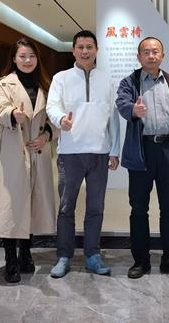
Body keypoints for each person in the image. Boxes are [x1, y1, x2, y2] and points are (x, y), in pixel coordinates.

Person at [46, 30, 120, 278]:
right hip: (70, 153)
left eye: (89, 47)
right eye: (80, 47)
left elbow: (113, 117)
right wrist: (61, 120)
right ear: (73, 50)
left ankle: (92, 255)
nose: (85, 51)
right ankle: (64, 256)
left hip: (99, 153)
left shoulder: (107, 80)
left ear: (97, 50)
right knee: (66, 207)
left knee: (96, 208)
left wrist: (114, 150)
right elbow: (52, 106)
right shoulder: (61, 78)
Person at [116, 37, 169, 279]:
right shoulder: (130, 82)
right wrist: (133, 110)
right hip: (142, 150)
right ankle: (141, 261)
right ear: (139, 57)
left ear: (162, 55)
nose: (151, 55)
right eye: (146, 52)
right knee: (139, 208)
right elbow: (122, 103)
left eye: (155, 51)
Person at [0, 38, 56, 283]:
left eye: (32, 56)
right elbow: (0, 109)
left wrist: (46, 136)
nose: (27, 60)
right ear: (14, 59)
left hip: (38, 150)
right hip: (14, 151)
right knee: (11, 205)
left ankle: (26, 254)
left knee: (33, 204)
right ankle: (11, 260)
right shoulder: (4, 83)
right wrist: (12, 113)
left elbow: (53, 119)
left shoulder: (46, 85)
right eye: (22, 56)